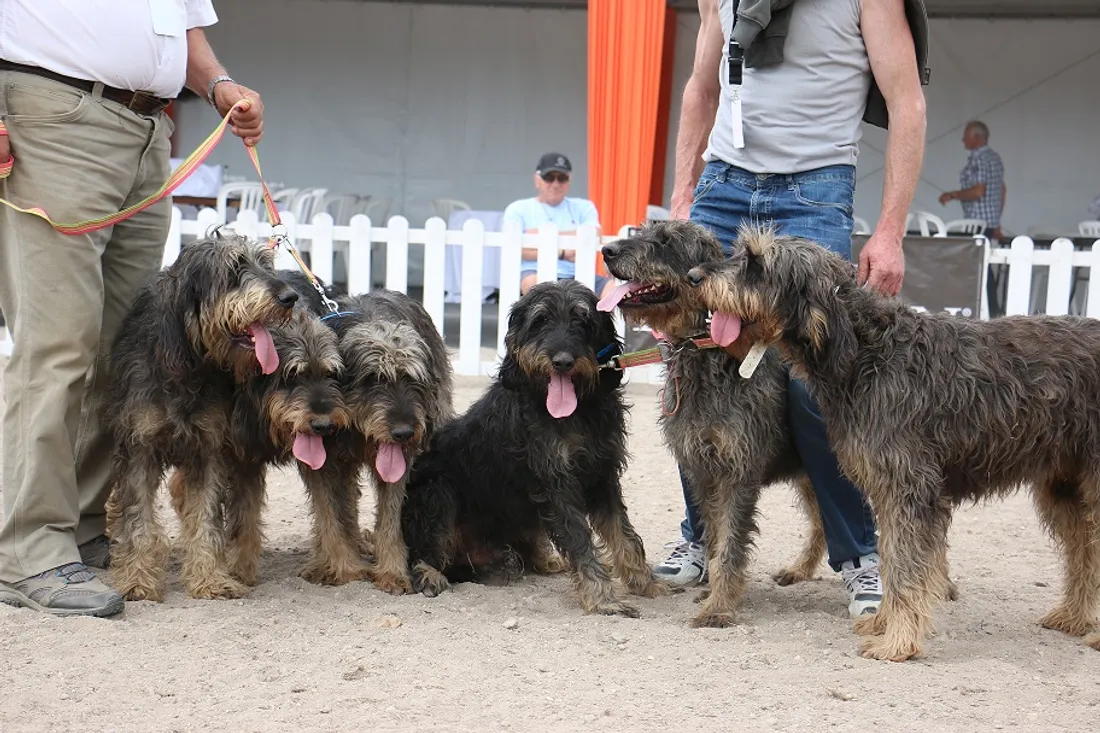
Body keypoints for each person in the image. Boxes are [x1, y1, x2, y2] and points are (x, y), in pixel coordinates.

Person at [656, 0, 927, 619]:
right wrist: (682, 193)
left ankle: (858, 553)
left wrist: (888, 232)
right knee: (691, 363)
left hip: (816, 185)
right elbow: (701, 87)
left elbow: (907, 102)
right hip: (724, 183)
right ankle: (702, 537)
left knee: (821, 382)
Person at [0, 1, 264, 617]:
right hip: (56, 115)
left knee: (126, 349)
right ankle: (28, 548)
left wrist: (218, 83)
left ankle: (83, 526)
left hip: (150, 131)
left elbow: (180, 28)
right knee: (58, 341)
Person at [503, 152, 615, 299]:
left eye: (561, 178)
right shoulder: (517, 208)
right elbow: (518, 247)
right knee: (533, 286)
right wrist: (563, 251)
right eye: (549, 177)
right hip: (534, 272)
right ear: (537, 180)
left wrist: (536, 236)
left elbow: (594, 234)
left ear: (569, 180)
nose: (556, 184)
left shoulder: (584, 207)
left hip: (578, 273)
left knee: (614, 289)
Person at [938, 120, 1005, 241]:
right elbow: (1002, 190)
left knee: (971, 258)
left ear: (977, 138)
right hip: (990, 222)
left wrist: (952, 195)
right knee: (981, 257)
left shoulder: (979, 159)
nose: (963, 140)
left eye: (966, 136)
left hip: (977, 223)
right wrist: (996, 221)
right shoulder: (995, 158)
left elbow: (977, 192)